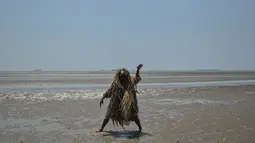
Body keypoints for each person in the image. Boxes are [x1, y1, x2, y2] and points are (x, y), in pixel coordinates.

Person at [98, 64, 143, 132]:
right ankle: (101, 128)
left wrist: (138, 70)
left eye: (124, 76)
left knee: (134, 116)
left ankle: (140, 128)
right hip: (116, 103)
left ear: (127, 76)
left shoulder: (130, 82)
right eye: (121, 76)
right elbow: (110, 90)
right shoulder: (116, 83)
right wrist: (103, 97)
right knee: (108, 115)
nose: (122, 78)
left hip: (128, 104)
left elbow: (137, 78)